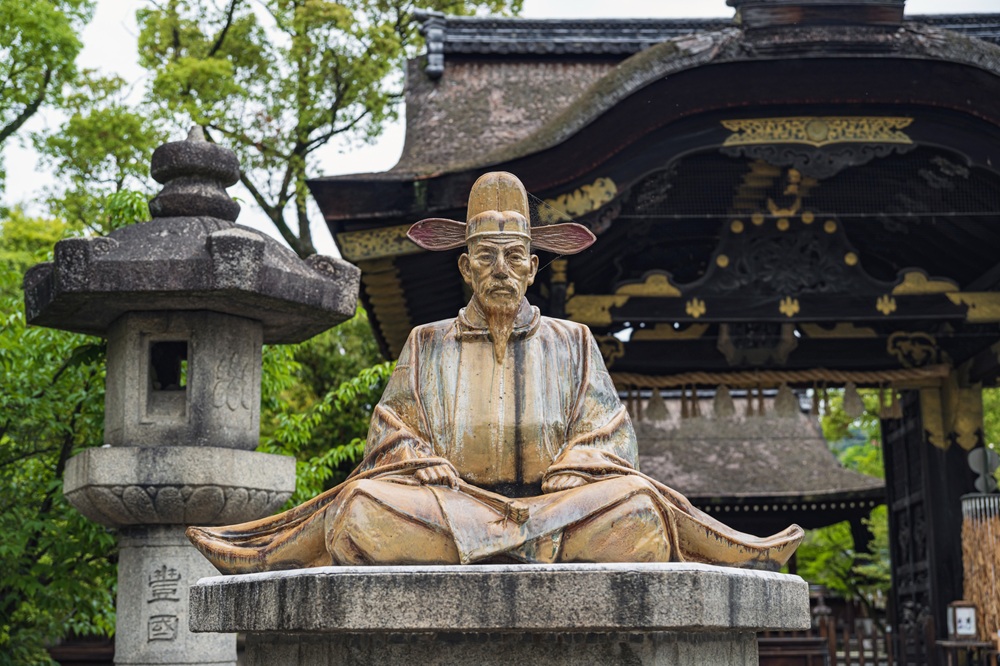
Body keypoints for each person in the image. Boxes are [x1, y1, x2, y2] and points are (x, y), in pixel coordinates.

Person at [187, 172, 803, 573]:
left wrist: (579, 465)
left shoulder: (573, 341)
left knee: (637, 507)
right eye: (486, 257)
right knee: (361, 509)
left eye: (514, 258)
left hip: (561, 508)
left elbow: (609, 432)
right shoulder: (427, 343)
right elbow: (392, 427)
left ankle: (514, 544)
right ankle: (524, 547)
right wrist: (414, 458)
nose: (501, 270)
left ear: (533, 267)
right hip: (453, 508)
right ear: (465, 268)